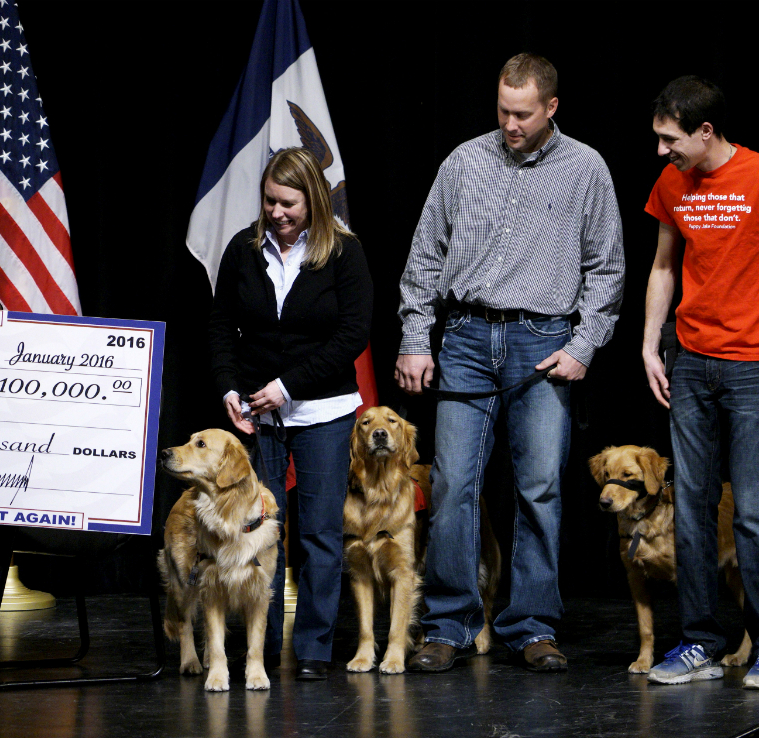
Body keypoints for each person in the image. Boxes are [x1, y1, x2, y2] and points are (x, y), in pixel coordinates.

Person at [396, 53, 624, 673]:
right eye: (502, 110)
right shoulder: (464, 161)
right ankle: (448, 624)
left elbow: (606, 267)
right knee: (451, 484)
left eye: (522, 113)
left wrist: (584, 344)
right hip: (466, 335)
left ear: (551, 108)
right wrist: (416, 337)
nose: (510, 123)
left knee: (541, 488)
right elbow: (425, 256)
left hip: (541, 339)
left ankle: (532, 625)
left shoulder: (585, 169)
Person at [208, 147, 373, 680]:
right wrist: (231, 388)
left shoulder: (344, 253)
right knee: (259, 534)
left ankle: (314, 650)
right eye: (269, 201)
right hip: (258, 415)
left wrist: (289, 385)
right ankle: (263, 647)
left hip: (323, 410)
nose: (277, 212)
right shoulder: (243, 249)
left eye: (289, 203)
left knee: (320, 533)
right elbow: (220, 326)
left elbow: (353, 334)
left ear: (314, 200)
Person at [642, 76, 759, 687]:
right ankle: (699, 644)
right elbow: (664, 266)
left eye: (671, 139)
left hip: (751, 366)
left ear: (705, 131)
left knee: (753, 514)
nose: (663, 151)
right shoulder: (672, 183)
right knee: (689, 506)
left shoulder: (757, 177)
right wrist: (650, 346)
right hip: (689, 361)